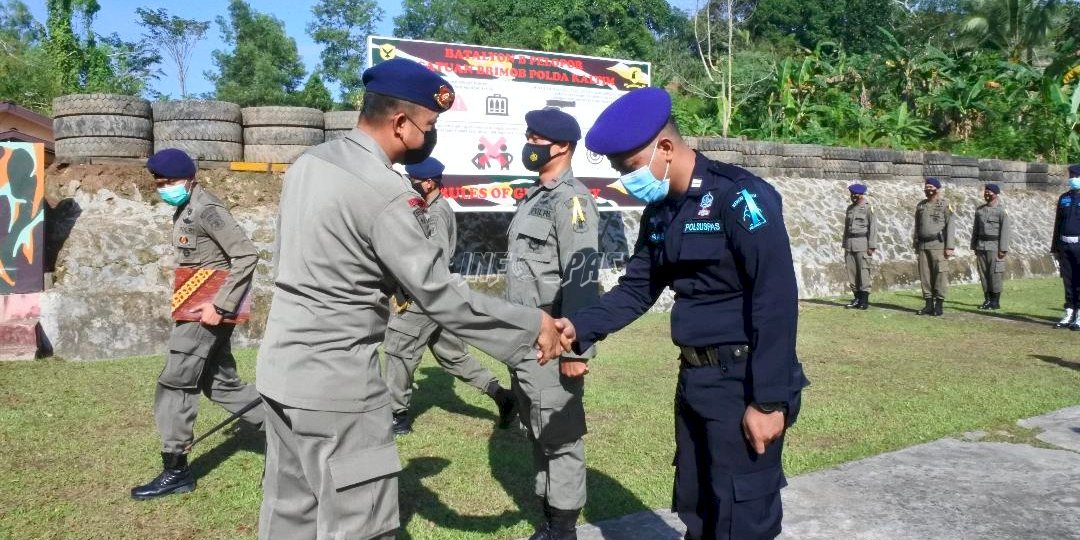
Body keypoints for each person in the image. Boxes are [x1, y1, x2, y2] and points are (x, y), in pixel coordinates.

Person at [254, 58, 564, 540]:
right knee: (361, 523)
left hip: (280, 372)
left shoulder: (308, 165)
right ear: (400, 123)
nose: (429, 137)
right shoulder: (381, 189)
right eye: (429, 125)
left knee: (291, 513)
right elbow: (439, 294)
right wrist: (532, 325)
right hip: (337, 385)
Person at [555, 87, 808, 540]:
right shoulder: (661, 214)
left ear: (665, 148)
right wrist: (578, 327)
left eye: (627, 167)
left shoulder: (740, 198)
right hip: (695, 379)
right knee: (698, 506)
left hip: (744, 378)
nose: (623, 179)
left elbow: (776, 298)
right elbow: (637, 289)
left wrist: (767, 401)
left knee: (742, 515)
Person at [131, 148, 264, 500]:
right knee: (221, 384)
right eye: (159, 183)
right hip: (196, 306)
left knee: (175, 382)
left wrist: (220, 306)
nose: (164, 188)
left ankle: (176, 471)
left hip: (206, 313)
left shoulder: (206, 209)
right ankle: (290, 433)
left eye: (170, 181)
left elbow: (246, 254)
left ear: (190, 178)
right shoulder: (185, 207)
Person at [506, 108, 600, 540]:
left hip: (555, 343)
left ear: (560, 145)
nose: (527, 142)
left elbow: (581, 278)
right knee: (538, 433)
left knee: (560, 437)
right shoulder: (534, 197)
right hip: (524, 341)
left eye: (535, 136)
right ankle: (548, 521)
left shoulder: (573, 202)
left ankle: (563, 530)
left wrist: (577, 350)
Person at [383, 156, 516, 435]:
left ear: (429, 183)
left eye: (414, 180)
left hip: (424, 297)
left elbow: (437, 257)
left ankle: (397, 416)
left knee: (398, 350)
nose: (411, 184)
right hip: (438, 295)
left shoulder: (435, 212)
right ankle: (501, 395)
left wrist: (414, 288)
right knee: (452, 356)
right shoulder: (430, 207)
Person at [913, 177, 955, 316]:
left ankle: (939, 305)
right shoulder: (921, 206)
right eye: (926, 187)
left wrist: (949, 247)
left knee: (939, 275)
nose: (927, 189)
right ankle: (928, 304)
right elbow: (917, 226)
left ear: (937, 189)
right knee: (925, 275)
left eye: (930, 187)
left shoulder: (945, 205)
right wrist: (916, 243)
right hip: (923, 245)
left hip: (938, 245)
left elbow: (950, 226)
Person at [971, 183, 1011, 310]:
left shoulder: (1001, 211)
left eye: (990, 192)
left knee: (995, 274)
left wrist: (1003, 249)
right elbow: (975, 230)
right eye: (986, 191)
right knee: (983, 274)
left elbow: (1005, 231)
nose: (987, 194)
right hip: (981, 246)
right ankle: (987, 299)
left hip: (995, 247)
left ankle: (995, 301)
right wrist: (974, 246)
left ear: (996, 194)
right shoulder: (980, 210)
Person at [1051, 164, 1080, 329]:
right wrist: (1055, 248)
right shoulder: (1064, 198)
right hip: (1064, 244)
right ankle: (1069, 311)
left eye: (1076, 176)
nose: (1073, 179)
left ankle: (1079, 315)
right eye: (1071, 176)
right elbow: (1058, 224)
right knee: (1068, 280)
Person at [842, 183, 877, 310]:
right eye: (852, 194)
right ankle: (856, 298)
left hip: (863, 243)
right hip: (850, 243)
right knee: (852, 273)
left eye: (856, 194)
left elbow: (873, 227)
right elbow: (847, 228)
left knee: (863, 272)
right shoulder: (850, 209)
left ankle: (864, 300)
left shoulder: (868, 208)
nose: (854, 197)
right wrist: (845, 244)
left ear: (861, 195)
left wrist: (871, 246)